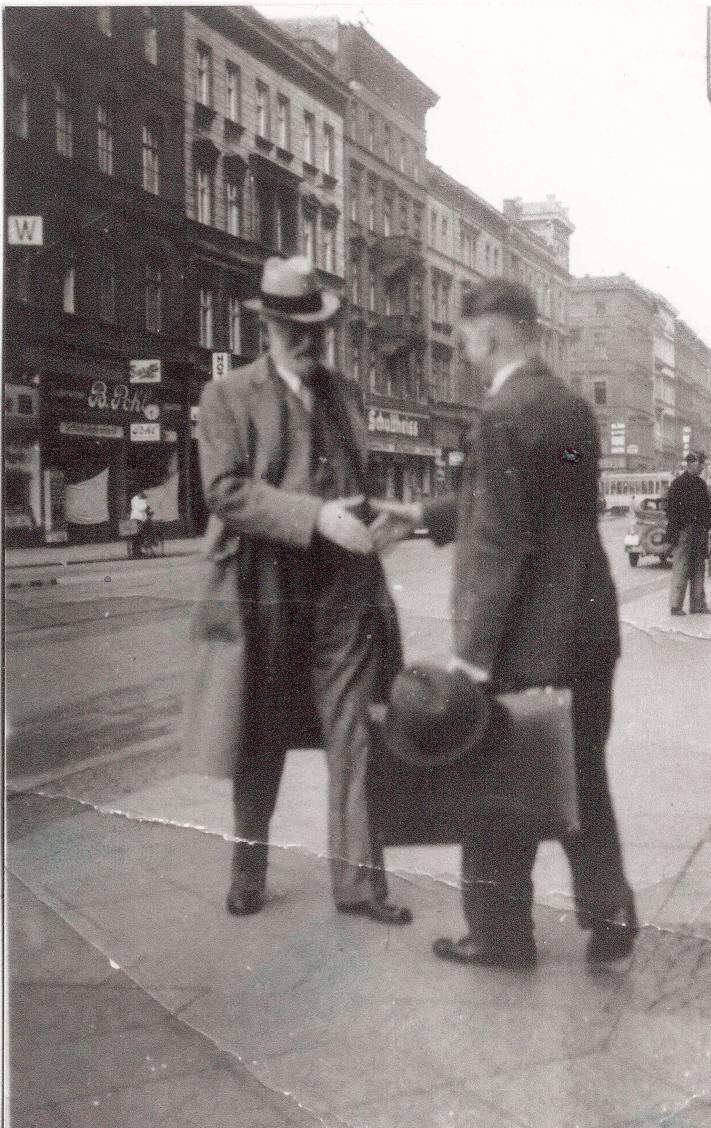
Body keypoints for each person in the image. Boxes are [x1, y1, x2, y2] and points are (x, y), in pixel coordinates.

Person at [372, 279, 636, 969]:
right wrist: (424, 517)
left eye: (463, 339)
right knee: (579, 776)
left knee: (489, 788)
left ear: (489, 334)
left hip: (526, 639)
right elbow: (534, 507)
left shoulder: (499, 413)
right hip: (586, 629)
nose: (462, 353)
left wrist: (471, 655)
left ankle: (497, 934)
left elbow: (498, 541)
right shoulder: (570, 407)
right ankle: (610, 915)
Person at [184, 256, 410, 925]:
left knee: (355, 739)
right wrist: (314, 517)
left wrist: (380, 518)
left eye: (315, 326)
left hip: (343, 591)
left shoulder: (342, 394)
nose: (306, 338)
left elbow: (351, 481)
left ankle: (360, 889)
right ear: (268, 327)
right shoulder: (225, 396)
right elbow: (223, 492)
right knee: (259, 738)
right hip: (265, 589)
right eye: (292, 327)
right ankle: (247, 872)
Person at [664, 451, 711, 616]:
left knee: (699, 567)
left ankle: (697, 605)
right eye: (701, 465)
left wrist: (707, 528)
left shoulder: (700, 484)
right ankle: (676, 606)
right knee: (682, 567)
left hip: (698, 531)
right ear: (692, 463)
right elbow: (671, 511)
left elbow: (707, 509)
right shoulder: (678, 484)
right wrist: (676, 533)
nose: (702, 468)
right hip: (684, 531)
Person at [129, 491, 150, 557]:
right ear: (139, 494)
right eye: (141, 494)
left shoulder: (138, 499)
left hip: (140, 518)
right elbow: (141, 508)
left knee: (137, 535)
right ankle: (137, 551)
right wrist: (145, 504)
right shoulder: (135, 500)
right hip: (137, 518)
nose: (142, 495)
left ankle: (137, 551)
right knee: (138, 534)